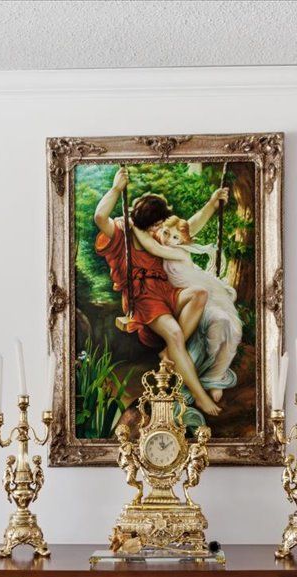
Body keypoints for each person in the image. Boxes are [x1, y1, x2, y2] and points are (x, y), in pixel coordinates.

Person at [93, 167, 228, 417]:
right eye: (156, 224)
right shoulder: (122, 231)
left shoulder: (157, 232)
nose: (159, 228)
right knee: (175, 334)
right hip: (144, 299)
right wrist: (115, 189)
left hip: (167, 291)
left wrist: (212, 204)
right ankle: (200, 397)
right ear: (147, 222)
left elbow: (188, 228)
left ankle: (169, 351)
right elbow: (100, 217)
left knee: (199, 293)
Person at [133, 216, 243, 401]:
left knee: (230, 327)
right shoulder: (160, 248)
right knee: (220, 323)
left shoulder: (178, 252)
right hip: (187, 299)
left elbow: (154, 247)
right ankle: (207, 376)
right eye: (166, 233)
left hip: (205, 298)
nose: (169, 240)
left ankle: (215, 377)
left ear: (183, 240)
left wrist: (133, 224)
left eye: (175, 237)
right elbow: (152, 246)